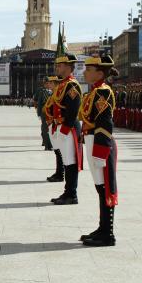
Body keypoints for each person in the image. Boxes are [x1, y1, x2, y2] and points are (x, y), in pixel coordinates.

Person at [78, 55, 118, 247]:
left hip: (100, 143)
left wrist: (101, 152)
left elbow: (104, 124)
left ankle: (108, 234)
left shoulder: (103, 93)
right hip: (92, 140)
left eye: (89, 69)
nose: (85, 72)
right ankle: (102, 228)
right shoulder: (94, 92)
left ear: (100, 73)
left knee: (105, 188)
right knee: (99, 188)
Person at [47, 53, 83, 205]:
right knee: (67, 161)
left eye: (60, 65)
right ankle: (68, 192)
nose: (57, 68)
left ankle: (71, 194)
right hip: (61, 126)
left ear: (68, 67)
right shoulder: (63, 84)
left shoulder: (72, 85)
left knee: (70, 162)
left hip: (68, 128)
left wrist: (64, 129)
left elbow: (73, 111)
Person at [34, 77, 53, 150]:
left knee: (51, 128)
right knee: (45, 128)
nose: (48, 84)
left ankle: (50, 143)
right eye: (46, 83)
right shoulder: (40, 90)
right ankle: (47, 145)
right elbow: (36, 101)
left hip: (51, 112)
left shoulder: (53, 90)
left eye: (49, 83)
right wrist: (38, 111)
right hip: (44, 111)